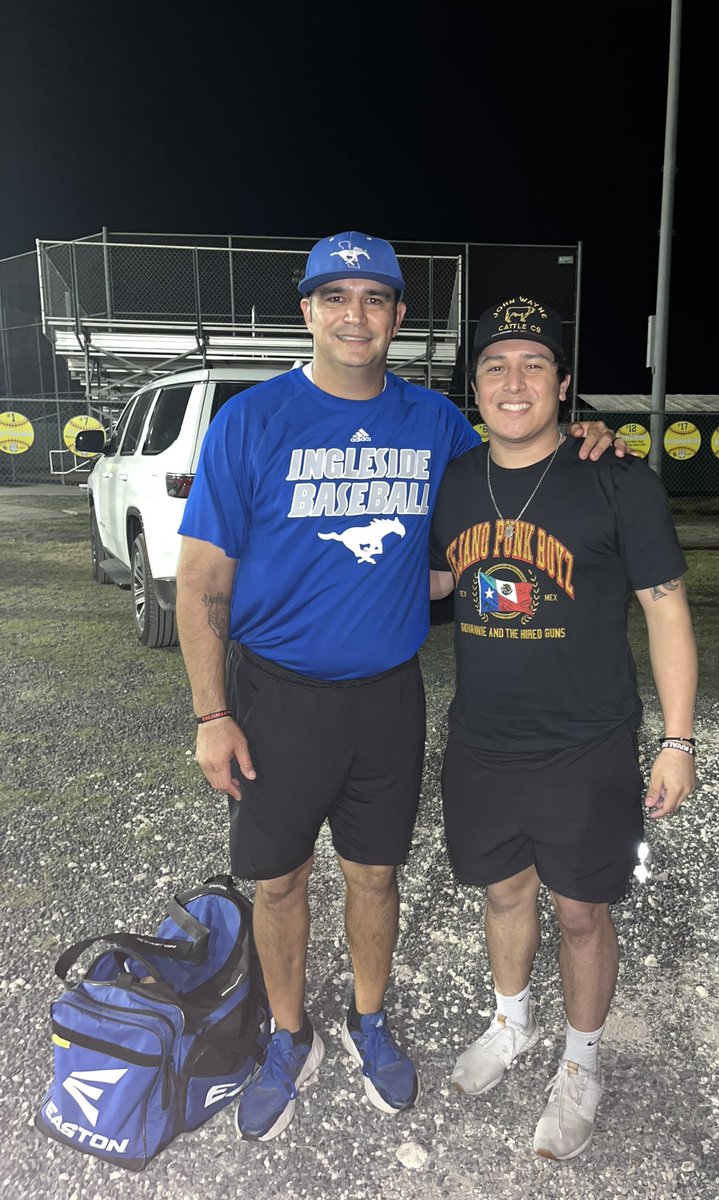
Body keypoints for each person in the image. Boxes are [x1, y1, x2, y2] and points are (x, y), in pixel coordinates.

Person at [174, 233, 621, 1143]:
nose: (354, 315)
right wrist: (212, 712)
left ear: (398, 319)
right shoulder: (251, 423)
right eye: (334, 296)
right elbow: (201, 585)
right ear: (306, 311)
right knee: (280, 881)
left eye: (373, 298)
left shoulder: (433, 426)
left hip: (387, 693)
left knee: (375, 874)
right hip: (275, 693)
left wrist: (587, 429)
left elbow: (519, 450)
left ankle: (368, 1021)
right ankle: (288, 1038)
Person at [429, 297, 698, 1161]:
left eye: (534, 365)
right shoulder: (455, 479)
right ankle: (512, 1021)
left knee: (582, 913)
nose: (515, 382)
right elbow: (434, 585)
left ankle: (582, 1065)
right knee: (503, 893)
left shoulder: (619, 479)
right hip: (481, 739)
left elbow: (665, 610)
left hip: (586, 745)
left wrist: (679, 741)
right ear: (475, 387)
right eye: (497, 366)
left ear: (565, 385)